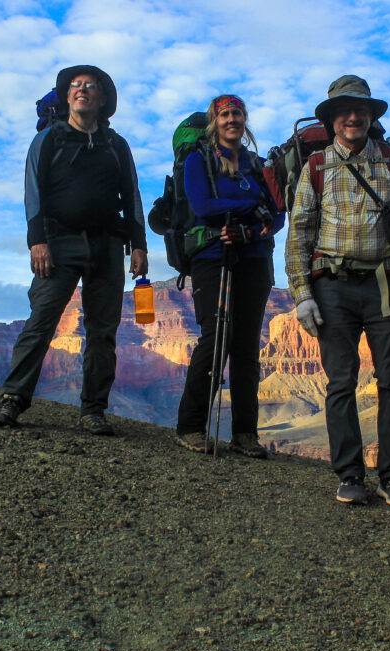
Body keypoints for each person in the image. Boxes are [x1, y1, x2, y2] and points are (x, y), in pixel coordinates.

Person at [285, 75, 390, 508]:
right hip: (331, 286)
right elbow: (299, 236)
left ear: (371, 117)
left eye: (361, 111)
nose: (353, 117)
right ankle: (349, 475)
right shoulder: (316, 168)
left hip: (388, 283)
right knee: (340, 383)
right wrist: (302, 294)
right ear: (332, 119)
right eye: (345, 111)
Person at [0, 65, 147, 435]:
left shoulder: (116, 145)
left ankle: (93, 409)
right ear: (66, 96)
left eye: (91, 86)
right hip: (58, 243)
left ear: (103, 99)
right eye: (75, 85)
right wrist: (37, 241)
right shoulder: (49, 140)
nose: (83, 90)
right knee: (42, 320)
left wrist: (139, 245)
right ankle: (13, 399)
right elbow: (33, 193)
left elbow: (132, 195)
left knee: (103, 330)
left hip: (108, 243)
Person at [174, 94, 283, 456]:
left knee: (247, 346)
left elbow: (278, 214)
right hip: (213, 256)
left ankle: (245, 434)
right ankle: (190, 427)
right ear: (214, 122)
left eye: (236, 113)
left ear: (245, 119)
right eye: (224, 115)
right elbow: (204, 206)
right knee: (215, 338)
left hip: (254, 257)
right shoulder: (198, 161)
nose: (231, 119)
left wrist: (251, 229)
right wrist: (252, 207)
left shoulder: (258, 165)